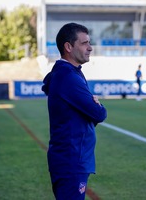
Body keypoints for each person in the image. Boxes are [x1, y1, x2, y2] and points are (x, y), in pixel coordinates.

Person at [41, 22, 107, 200]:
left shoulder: (67, 72)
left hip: (70, 158)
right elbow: (99, 114)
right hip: (71, 159)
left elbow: (86, 116)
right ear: (68, 47)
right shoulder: (69, 77)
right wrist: (98, 107)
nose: (90, 48)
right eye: (84, 43)